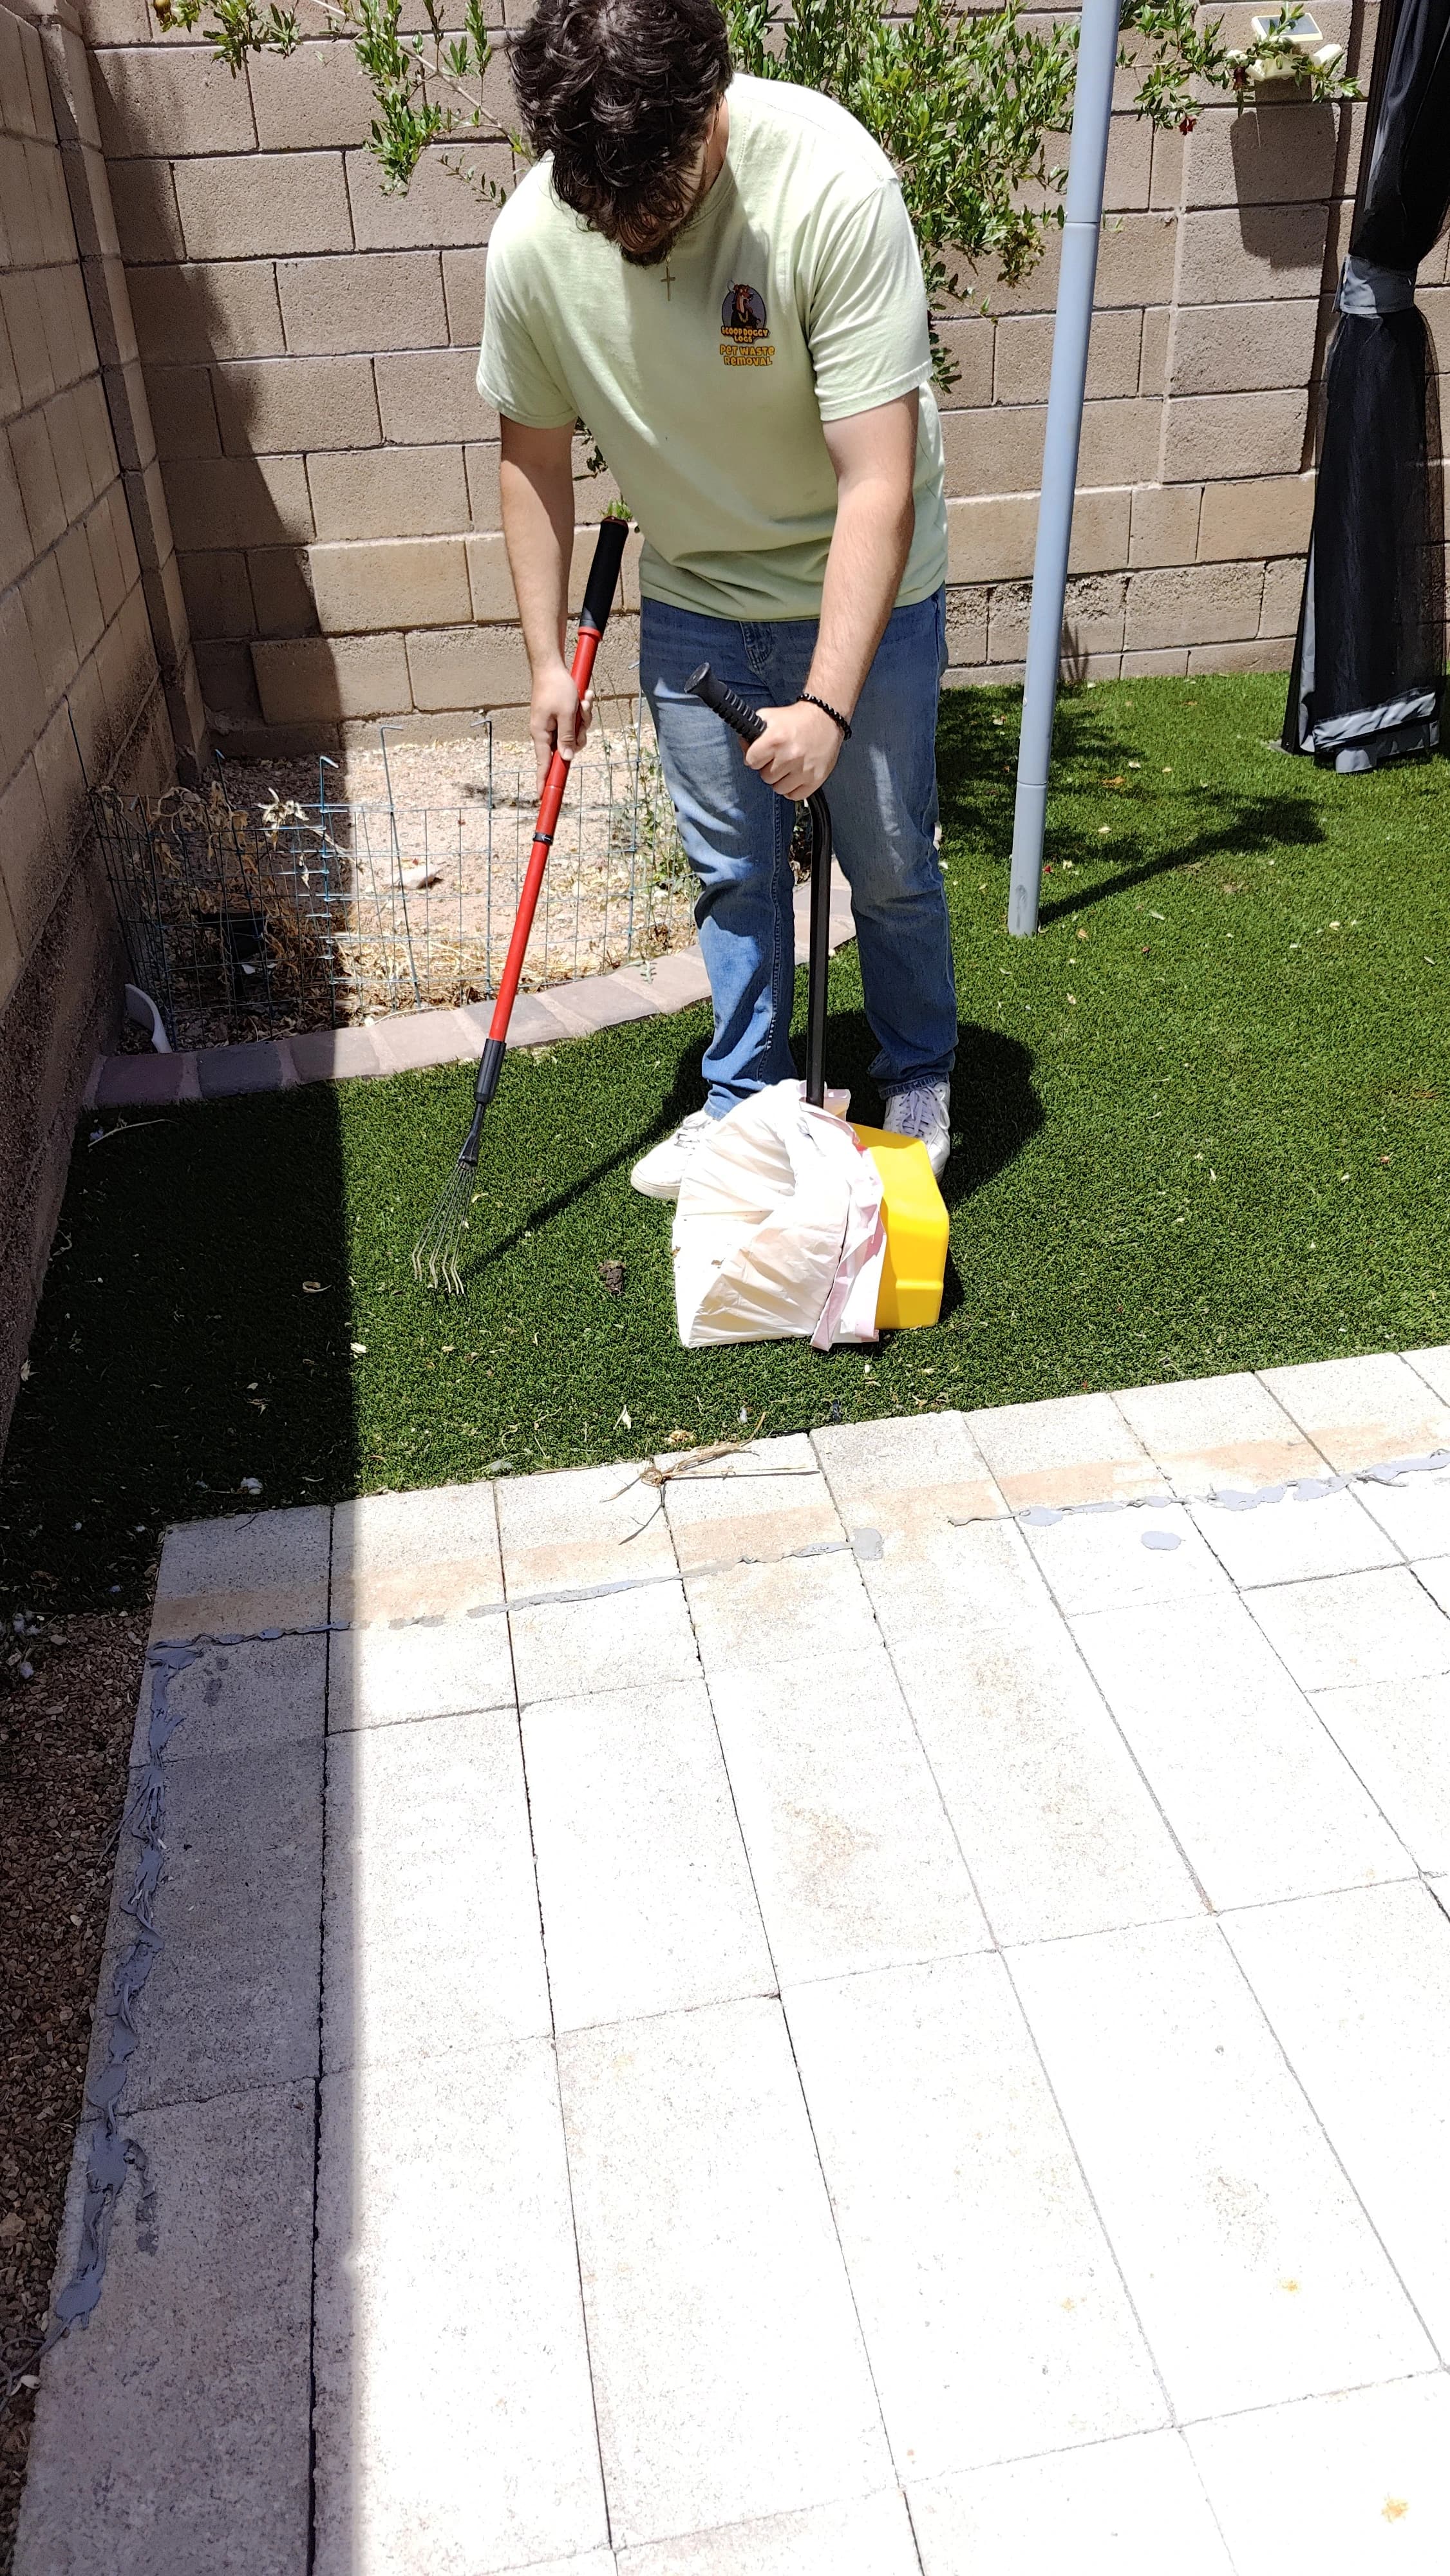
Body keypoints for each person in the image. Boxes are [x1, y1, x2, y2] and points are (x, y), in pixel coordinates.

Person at [479, 0, 958, 1194]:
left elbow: (878, 485)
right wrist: (546, 659)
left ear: (711, 108)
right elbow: (532, 456)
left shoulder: (832, 187)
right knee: (733, 873)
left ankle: (920, 1065)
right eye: (602, 204)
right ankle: (745, 1098)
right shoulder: (539, 236)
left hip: (866, 592)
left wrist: (828, 710)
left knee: (889, 859)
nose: (629, 228)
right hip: (693, 594)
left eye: (654, 195)